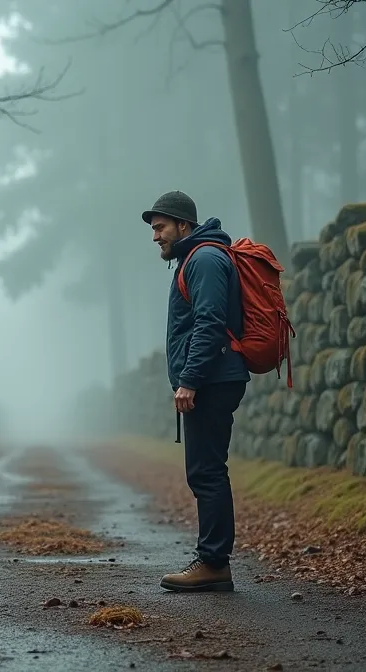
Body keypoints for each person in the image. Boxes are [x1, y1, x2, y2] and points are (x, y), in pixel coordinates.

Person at [142, 190, 250, 593]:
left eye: (160, 227)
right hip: (215, 376)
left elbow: (209, 322)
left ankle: (213, 563)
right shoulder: (196, 258)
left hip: (213, 379)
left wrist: (189, 379)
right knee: (206, 471)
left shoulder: (203, 259)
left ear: (183, 225)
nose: (155, 237)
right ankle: (213, 560)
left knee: (206, 472)